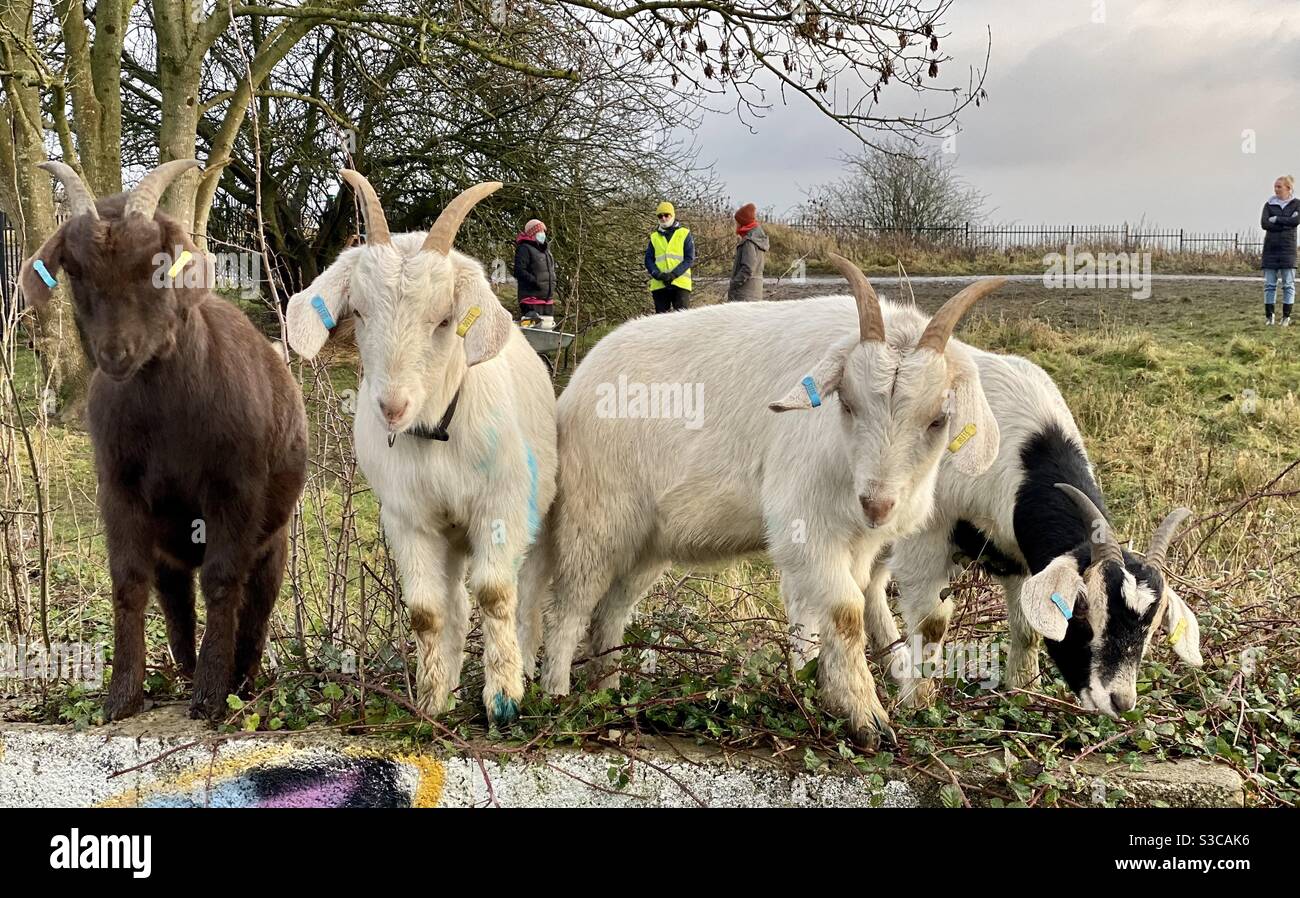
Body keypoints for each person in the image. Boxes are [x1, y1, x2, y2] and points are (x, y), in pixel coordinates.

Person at [1261, 175, 1298, 326]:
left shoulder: (1296, 204)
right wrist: (1286, 222)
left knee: (1288, 284)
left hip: (1288, 249)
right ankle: (1270, 317)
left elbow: (1296, 221)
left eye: (1279, 186)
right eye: (1275, 186)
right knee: (1269, 285)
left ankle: (1286, 317)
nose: (1276, 189)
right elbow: (1264, 223)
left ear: (1288, 188)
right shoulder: (1268, 205)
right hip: (1271, 249)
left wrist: (1276, 219)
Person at [645, 201, 694, 313]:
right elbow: (648, 260)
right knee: (661, 323)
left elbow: (689, 258)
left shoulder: (684, 233)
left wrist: (673, 274)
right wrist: (657, 274)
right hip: (659, 284)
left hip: (680, 284)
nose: (663, 218)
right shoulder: (654, 237)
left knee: (682, 322)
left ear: (672, 215)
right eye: (660, 216)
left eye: (666, 215)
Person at [513, 218, 556, 323]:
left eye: (543, 231)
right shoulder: (524, 248)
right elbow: (519, 271)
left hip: (547, 300)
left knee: (546, 331)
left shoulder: (546, 250)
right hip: (531, 301)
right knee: (533, 332)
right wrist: (534, 281)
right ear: (533, 232)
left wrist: (553, 282)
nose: (542, 234)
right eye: (540, 231)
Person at [727, 203, 769, 302]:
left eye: (737, 222)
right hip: (754, 293)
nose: (736, 225)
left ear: (742, 222)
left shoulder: (748, 242)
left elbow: (748, 267)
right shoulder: (758, 240)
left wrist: (734, 283)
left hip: (743, 295)